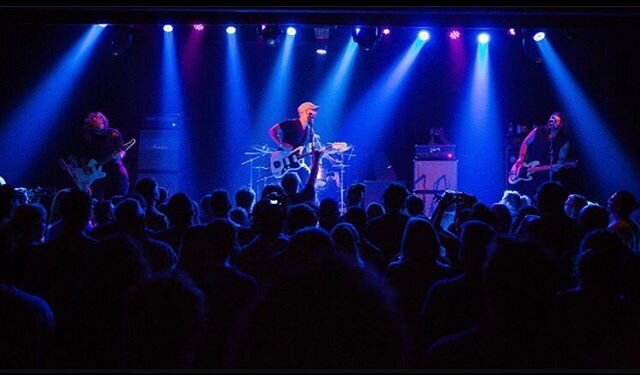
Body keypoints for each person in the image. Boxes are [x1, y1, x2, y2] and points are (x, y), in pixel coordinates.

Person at [509, 112, 571, 199]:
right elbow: (525, 142)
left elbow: (561, 160)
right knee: (526, 196)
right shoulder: (539, 130)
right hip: (528, 169)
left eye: (555, 120)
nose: (552, 121)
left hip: (545, 175)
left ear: (561, 124)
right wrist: (521, 158)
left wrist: (558, 166)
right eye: (551, 118)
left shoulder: (563, 141)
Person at [77, 111, 130, 199]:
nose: (94, 120)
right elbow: (83, 155)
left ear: (103, 120)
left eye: (97, 118)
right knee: (98, 196)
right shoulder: (88, 136)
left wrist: (120, 155)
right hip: (96, 171)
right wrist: (86, 168)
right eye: (92, 119)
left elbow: (122, 149)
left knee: (122, 186)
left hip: (115, 166)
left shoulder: (113, 133)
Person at [268, 102, 322, 182]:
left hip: (297, 161)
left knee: (309, 178)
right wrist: (280, 144)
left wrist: (323, 153)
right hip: (283, 157)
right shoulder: (291, 123)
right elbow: (272, 131)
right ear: (305, 111)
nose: (315, 113)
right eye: (313, 110)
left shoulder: (310, 130)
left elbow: (309, 149)